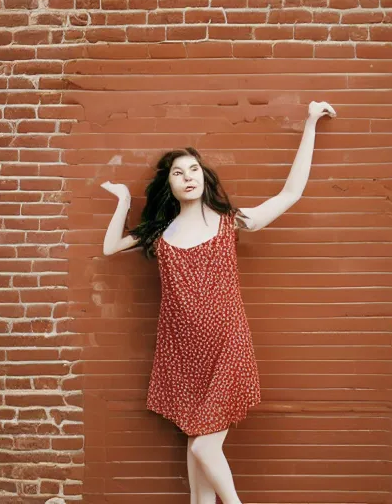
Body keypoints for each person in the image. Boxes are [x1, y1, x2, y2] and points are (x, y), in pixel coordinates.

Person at [101, 100, 336, 504]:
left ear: (204, 178)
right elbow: (109, 248)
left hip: (228, 347)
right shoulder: (160, 233)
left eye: (193, 169)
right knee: (198, 488)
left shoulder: (231, 221)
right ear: (170, 185)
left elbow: (291, 192)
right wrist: (124, 200)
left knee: (203, 448)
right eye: (178, 172)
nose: (187, 176)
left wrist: (310, 123)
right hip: (185, 355)